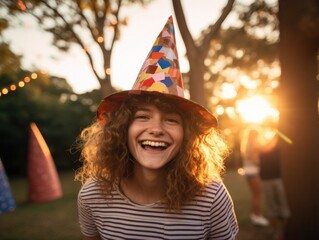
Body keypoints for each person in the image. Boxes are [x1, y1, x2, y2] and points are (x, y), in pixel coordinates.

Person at [75, 16, 238, 240]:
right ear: (122, 128)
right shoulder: (93, 196)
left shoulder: (211, 197)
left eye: (171, 120)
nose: (156, 129)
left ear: (187, 135)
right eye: (143, 117)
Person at [259, 130, 291, 240]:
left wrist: (278, 133)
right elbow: (265, 148)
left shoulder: (277, 144)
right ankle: (276, 233)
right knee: (272, 208)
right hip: (266, 180)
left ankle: (282, 232)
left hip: (277, 178)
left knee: (283, 207)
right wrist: (276, 135)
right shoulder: (261, 146)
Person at [240, 127, 269, 227]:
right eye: (257, 136)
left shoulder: (247, 144)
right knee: (258, 194)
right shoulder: (251, 145)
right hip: (252, 172)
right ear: (254, 136)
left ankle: (254, 215)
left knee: (255, 195)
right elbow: (252, 159)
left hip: (249, 173)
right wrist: (260, 163)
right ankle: (257, 216)